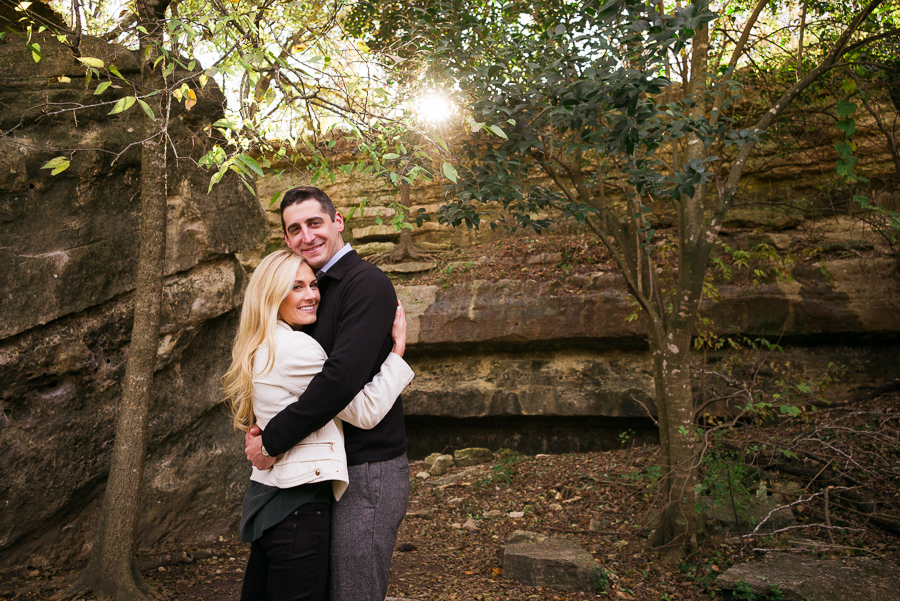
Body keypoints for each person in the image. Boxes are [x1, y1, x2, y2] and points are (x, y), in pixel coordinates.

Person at [244, 186, 410, 601]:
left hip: (368, 465)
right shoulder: (314, 287)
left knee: (353, 591)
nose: (307, 235)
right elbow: (293, 377)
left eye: (315, 223)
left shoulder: (364, 284)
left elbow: (335, 382)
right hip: (324, 470)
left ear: (337, 223)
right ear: (285, 238)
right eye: (294, 229)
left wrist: (273, 439)